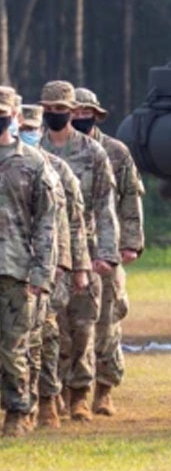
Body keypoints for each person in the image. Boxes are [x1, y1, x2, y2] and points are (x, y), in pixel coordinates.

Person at [39, 81, 119, 422]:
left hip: (85, 250)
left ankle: (80, 395)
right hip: (47, 252)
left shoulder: (93, 152)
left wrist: (107, 254)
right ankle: (50, 392)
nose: (56, 115)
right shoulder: (34, 148)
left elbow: (105, 207)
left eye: (62, 109)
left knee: (85, 325)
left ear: (73, 112)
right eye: (50, 109)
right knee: (50, 327)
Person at [72, 87, 145, 417]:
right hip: (69, 249)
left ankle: (105, 388)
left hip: (107, 247)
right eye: (74, 112)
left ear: (96, 115)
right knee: (69, 324)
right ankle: (71, 390)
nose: (78, 118)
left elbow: (130, 198)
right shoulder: (48, 147)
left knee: (108, 320)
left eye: (85, 113)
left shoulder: (115, 152)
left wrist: (130, 242)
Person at [18, 101, 90, 430]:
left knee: (46, 333)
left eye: (34, 130)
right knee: (16, 338)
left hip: (48, 265)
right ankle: (21, 399)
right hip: (11, 262)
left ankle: (47, 399)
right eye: (25, 129)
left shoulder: (57, 170)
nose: (29, 134)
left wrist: (75, 266)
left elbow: (72, 224)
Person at [0, 89, 59, 437]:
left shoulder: (34, 163)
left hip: (17, 270)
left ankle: (19, 413)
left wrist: (41, 272)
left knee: (14, 347)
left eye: (3, 112)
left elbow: (47, 222)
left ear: (16, 117)